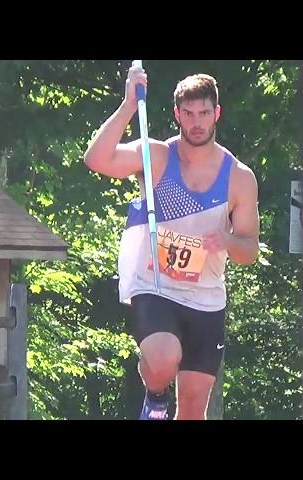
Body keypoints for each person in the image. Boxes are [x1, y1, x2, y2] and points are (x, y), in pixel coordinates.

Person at [84, 64, 260, 420]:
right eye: (189, 113)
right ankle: (155, 392)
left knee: (194, 411)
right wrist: (129, 106)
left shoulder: (239, 178)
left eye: (204, 113)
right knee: (163, 361)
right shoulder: (157, 156)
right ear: (177, 114)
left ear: (216, 114)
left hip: (205, 297)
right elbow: (96, 159)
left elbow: (249, 251)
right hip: (155, 283)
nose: (197, 122)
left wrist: (226, 240)